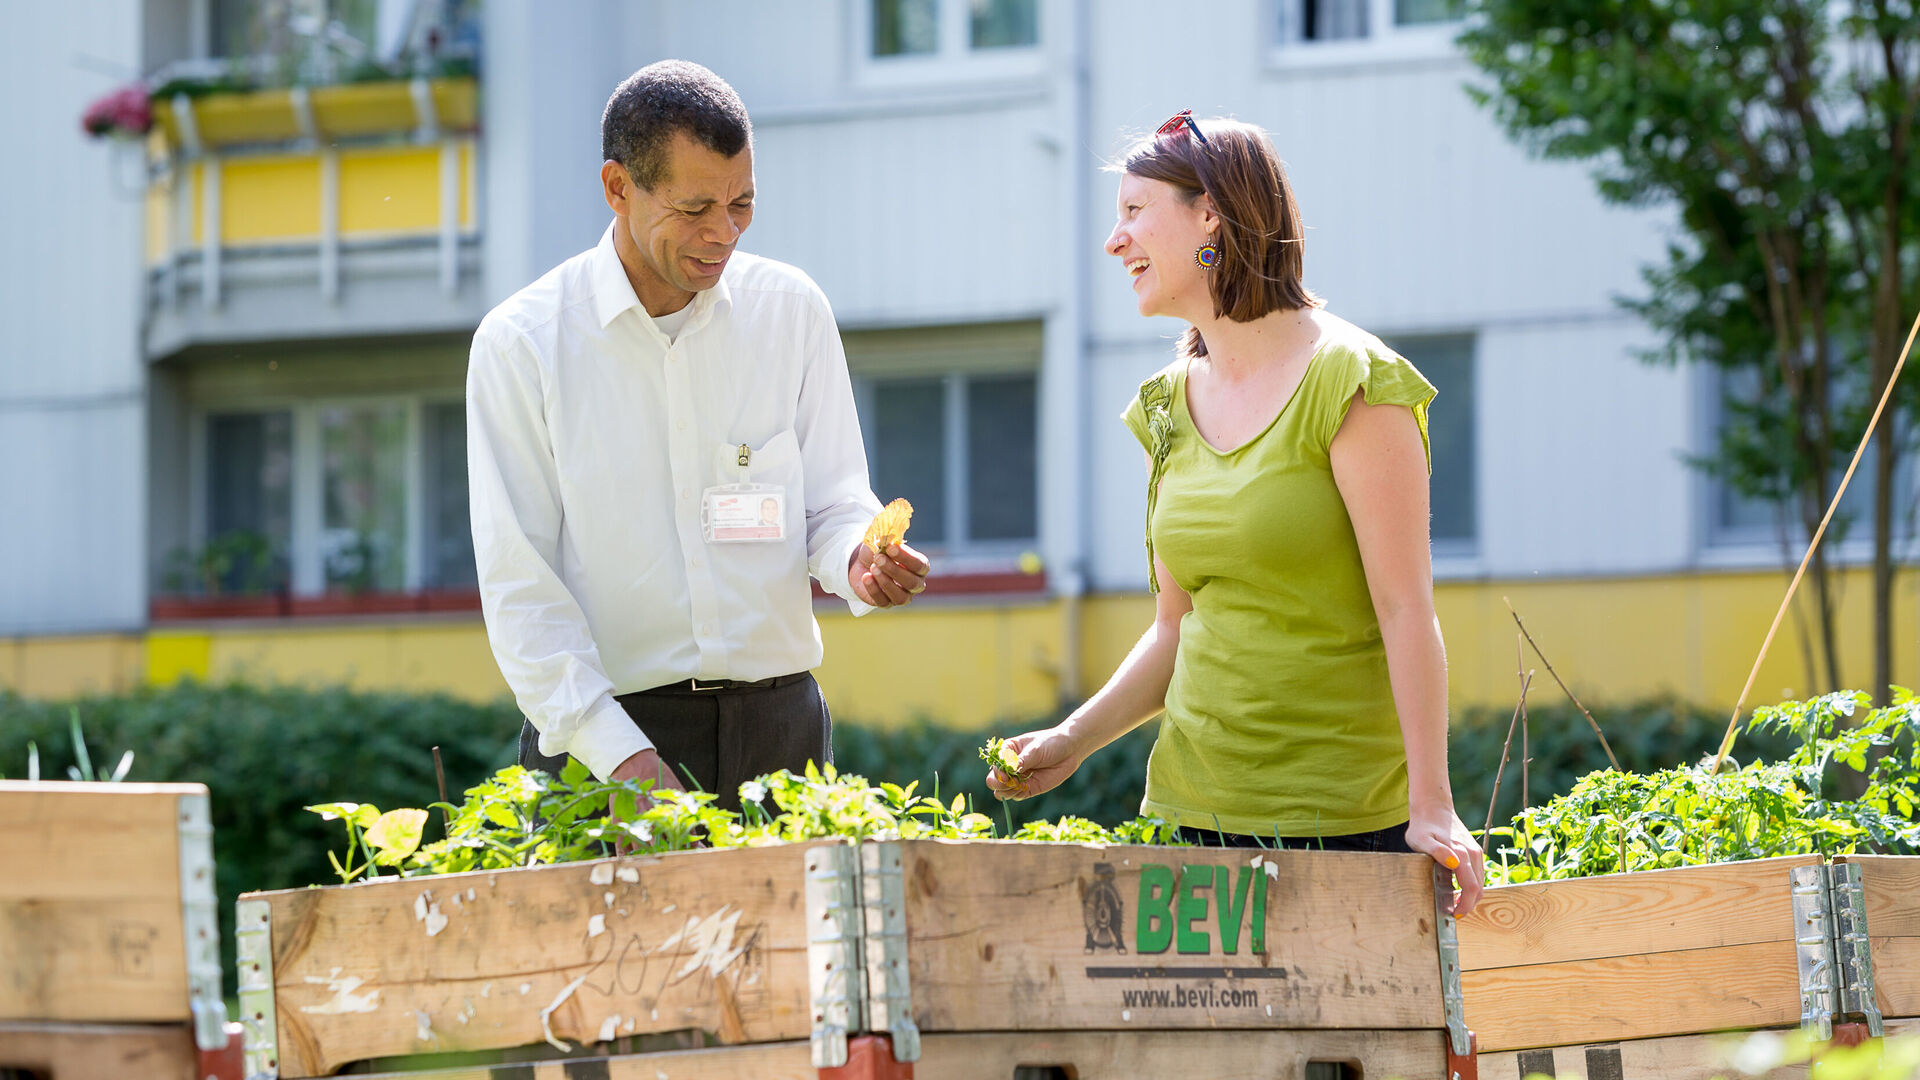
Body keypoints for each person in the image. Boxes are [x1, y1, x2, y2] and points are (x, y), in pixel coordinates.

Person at [984, 112, 1483, 915]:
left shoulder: (1353, 380)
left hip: (1349, 826)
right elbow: (1174, 629)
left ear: (1210, 214)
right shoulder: (1164, 407)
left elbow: (1405, 608)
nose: (1114, 241)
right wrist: (1073, 740)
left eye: (1134, 210)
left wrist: (1432, 806)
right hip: (1197, 820)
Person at [467, 60, 930, 813]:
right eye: (694, 209)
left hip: (783, 732)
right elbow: (522, 589)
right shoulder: (523, 344)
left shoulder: (791, 311)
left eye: (742, 204)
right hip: (602, 742)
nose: (724, 233)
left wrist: (858, 560)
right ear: (618, 187)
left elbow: (833, 501)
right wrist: (620, 756)